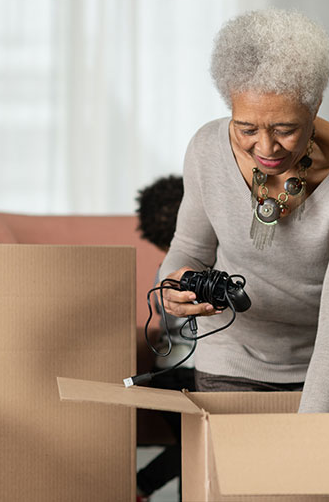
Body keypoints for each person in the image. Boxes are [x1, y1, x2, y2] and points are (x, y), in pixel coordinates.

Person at [158, 8, 329, 414]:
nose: (265, 149)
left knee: (324, 475)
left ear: (315, 104)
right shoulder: (205, 150)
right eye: (246, 128)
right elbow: (186, 253)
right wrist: (172, 289)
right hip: (232, 364)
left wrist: (305, 439)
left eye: (285, 129)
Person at [134, 174, 193, 502]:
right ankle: (139, 486)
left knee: (192, 444)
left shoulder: (164, 269)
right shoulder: (199, 266)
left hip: (166, 370)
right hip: (191, 373)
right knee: (200, 443)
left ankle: (139, 487)